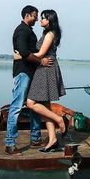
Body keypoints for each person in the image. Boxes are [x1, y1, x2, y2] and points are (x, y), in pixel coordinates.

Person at [15, 9, 66, 153]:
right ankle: (52, 140)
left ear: (49, 20)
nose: (40, 21)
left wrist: (20, 56)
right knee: (45, 106)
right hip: (43, 68)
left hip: (46, 69)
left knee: (31, 103)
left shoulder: (50, 34)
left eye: (43, 18)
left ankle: (59, 119)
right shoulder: (45, 33)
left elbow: (41, 53)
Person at [5, 5, 53, 155]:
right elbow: (24, 52)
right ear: (27, 16)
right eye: (34, 15)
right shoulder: (21, 30)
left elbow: (27, 52)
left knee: (34, 105)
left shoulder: (28, 31)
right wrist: (41, 61)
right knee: (17, 106)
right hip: (23, 72)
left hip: (31, 73)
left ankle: (35, 137)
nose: (36, 19)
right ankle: (10, 143)